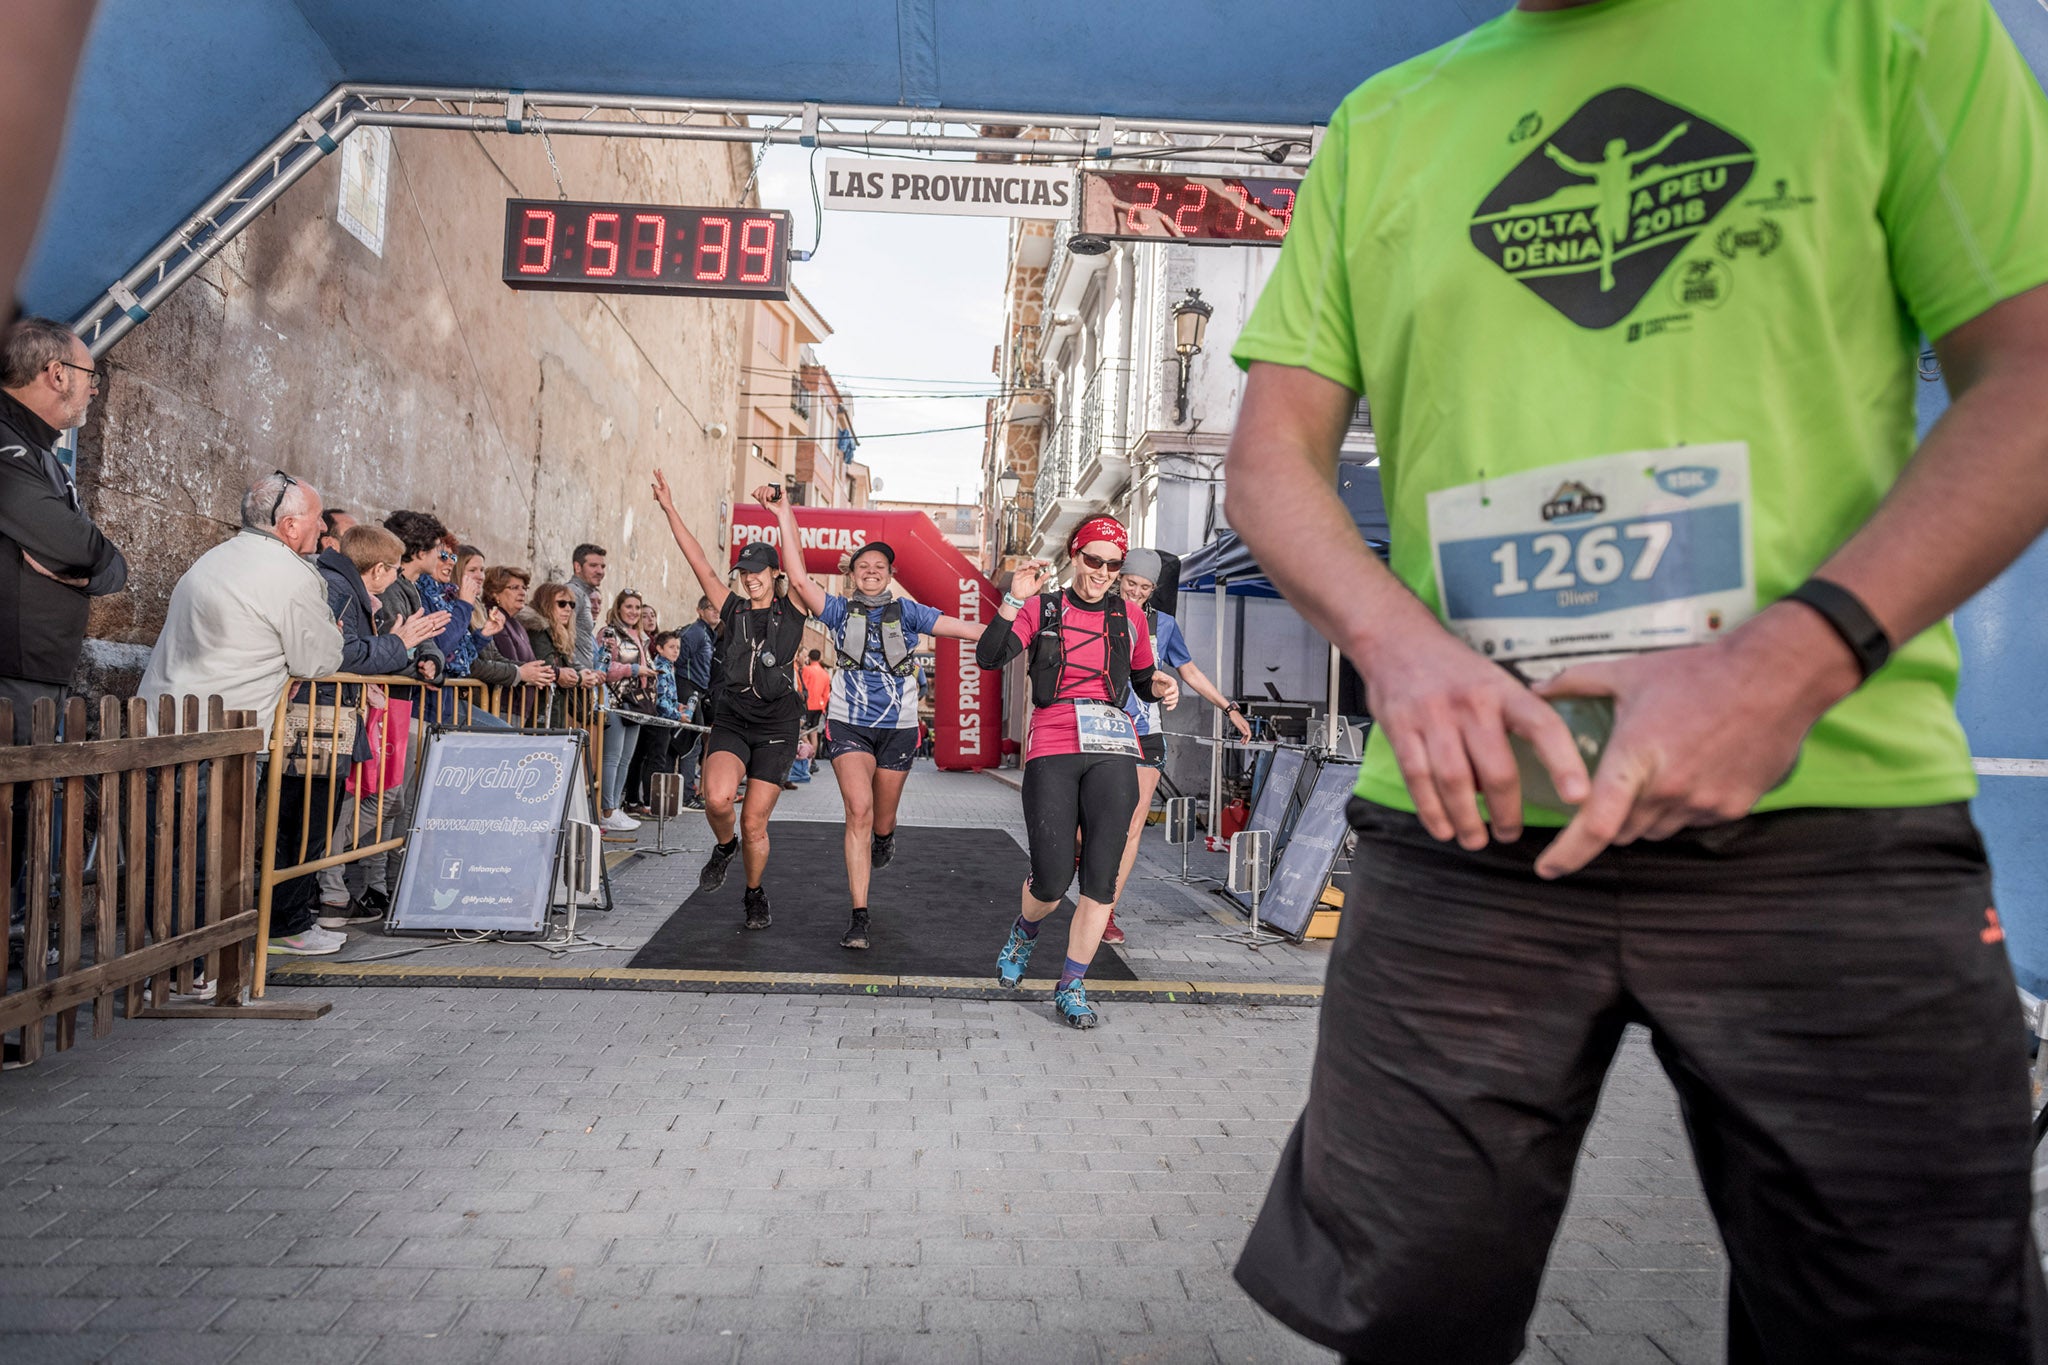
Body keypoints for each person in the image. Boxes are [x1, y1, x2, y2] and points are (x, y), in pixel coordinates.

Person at [1222, 1, 2048, 1359]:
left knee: (1907, 1325)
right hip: (1467, 826)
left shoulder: (1891, 30)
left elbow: (2028, 368)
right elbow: (1271, 461)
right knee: (1398, 1318)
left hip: (1830, 818)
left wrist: (1799, 651)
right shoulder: (1384, 122)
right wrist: (1398, 644)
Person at [974, 517, 1178, 1028]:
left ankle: (1071, 986)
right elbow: (989, 655)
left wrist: (1162, 686)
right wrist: (1013, 599)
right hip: (1055, 743)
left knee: (1101, 878)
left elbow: (1141, 678)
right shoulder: (1043, 607)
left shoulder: (1130, 616)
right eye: (1094, 560)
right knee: (1050, 879)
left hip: (1114, 745)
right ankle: (1024, 931)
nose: (1104, 572)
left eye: (1114, 564)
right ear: (1074, 556)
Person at [138, 471, 344, 957]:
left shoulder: (213, 558)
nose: (322, 530)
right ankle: (193, 969)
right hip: (223, 736)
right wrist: (328, 629)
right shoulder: (291, 575)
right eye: (316, 519)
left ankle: (167, 966)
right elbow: (319, 659)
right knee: (208, 858)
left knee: (164, 856)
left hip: (162, 725)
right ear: (290, 526)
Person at [651, 472, 822, 930]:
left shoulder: (794, 609)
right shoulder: (732, 608)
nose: (749, 580)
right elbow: (700, 563)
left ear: (774, 574)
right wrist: (669, 508)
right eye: (744, 573)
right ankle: (723, 848)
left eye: (758, 573)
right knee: (717, 799)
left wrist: (781, 512)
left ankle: (753, 892)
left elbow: (798, 561)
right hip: (733, 715)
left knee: (754, 825)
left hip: (777, 725)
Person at [817, 540, 986, 950]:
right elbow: (794, 570)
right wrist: (783, 509)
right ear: (852, 574)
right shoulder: (837, 610)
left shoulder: (909, 613)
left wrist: (1021, 627)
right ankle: (859, 916)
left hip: (898, 728)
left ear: (891, 575)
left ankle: (885, 836)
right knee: (858, 810)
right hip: (848, 723)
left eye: (880, 565)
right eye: (863, 565)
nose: (871, 571)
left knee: (881, 819)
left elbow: (968, 630)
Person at [1097, 548, 1252, 945]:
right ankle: (1086, 865)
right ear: (1119, 579)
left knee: (1132, 826)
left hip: (1145, 731)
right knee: (1094, 822)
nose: (1136, 593)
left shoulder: (1163, 624)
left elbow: (1190, 671)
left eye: (1145, 588)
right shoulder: (1098, 610)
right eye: (1131, 583)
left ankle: (1107, 910)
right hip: (1097, 729)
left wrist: (1228, 707)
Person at [0, 316, 128, 743]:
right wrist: (92, 563)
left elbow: (110, 567)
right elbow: (78, 544)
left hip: (34, 672)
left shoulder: (43, 453)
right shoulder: (6, 443)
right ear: (57, 375)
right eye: (90, 375)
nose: (95, 388)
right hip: (10, 673)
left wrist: (92, 568)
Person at [312, 523, 440, 929]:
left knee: (385, 800)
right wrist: (398, 645)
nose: (399, 575)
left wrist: (422, 657)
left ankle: (328, 868)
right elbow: (342, 655)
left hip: (367, 710)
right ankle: (329, 888)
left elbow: (384, 650)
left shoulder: (361, 593)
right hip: (332, 713)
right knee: (346, 802)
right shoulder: (340, 590)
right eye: (396, 568)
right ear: (381, 569)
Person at [593, 588, 659, 831]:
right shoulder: (609, 633)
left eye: (637, 607)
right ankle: (606, 809)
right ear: (619, 608)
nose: (634, 612)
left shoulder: (640, 637)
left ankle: (615, 808)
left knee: (626, 759)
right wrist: (633, 671)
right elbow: (603, 669)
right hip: (615, 702)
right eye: (629, 606)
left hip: (636, 704)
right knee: (611, 758)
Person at [676, 596, 717, 809]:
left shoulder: (708, 634)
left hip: (698, 691)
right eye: (711, 608)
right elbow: (679, 658)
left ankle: (686, 792)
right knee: (691, 743)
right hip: (688, 688)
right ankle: (686, 796)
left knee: (695, 742)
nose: (716, 612)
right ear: (700, 610)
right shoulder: (695, 632)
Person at [567, 542, 607, 670]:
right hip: (574, 682)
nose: (600, 571)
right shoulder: (572, 593)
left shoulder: (584, 595)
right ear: (577, 567)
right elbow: (558, 638)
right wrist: (580, 672)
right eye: (593, 566)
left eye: (602, 566)